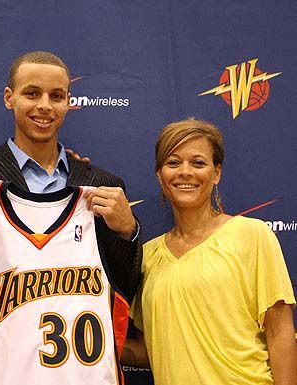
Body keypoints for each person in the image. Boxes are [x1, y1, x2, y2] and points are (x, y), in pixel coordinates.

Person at [0, 51, 142, 384]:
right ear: (10, 98)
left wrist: (129, 233)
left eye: (56, 96)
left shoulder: (101, 183)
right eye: (32, 93)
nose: (44, 106)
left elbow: (124, 286)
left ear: (68, 102)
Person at [124, 118, 297, 385]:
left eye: (198, 163)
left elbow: (280, 332)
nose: (185, 172)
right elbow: (152, 350)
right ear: (160, 175)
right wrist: (88, 342)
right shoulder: (147, 256)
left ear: (216, 173)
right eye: (173, 163)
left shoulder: (252, 234)